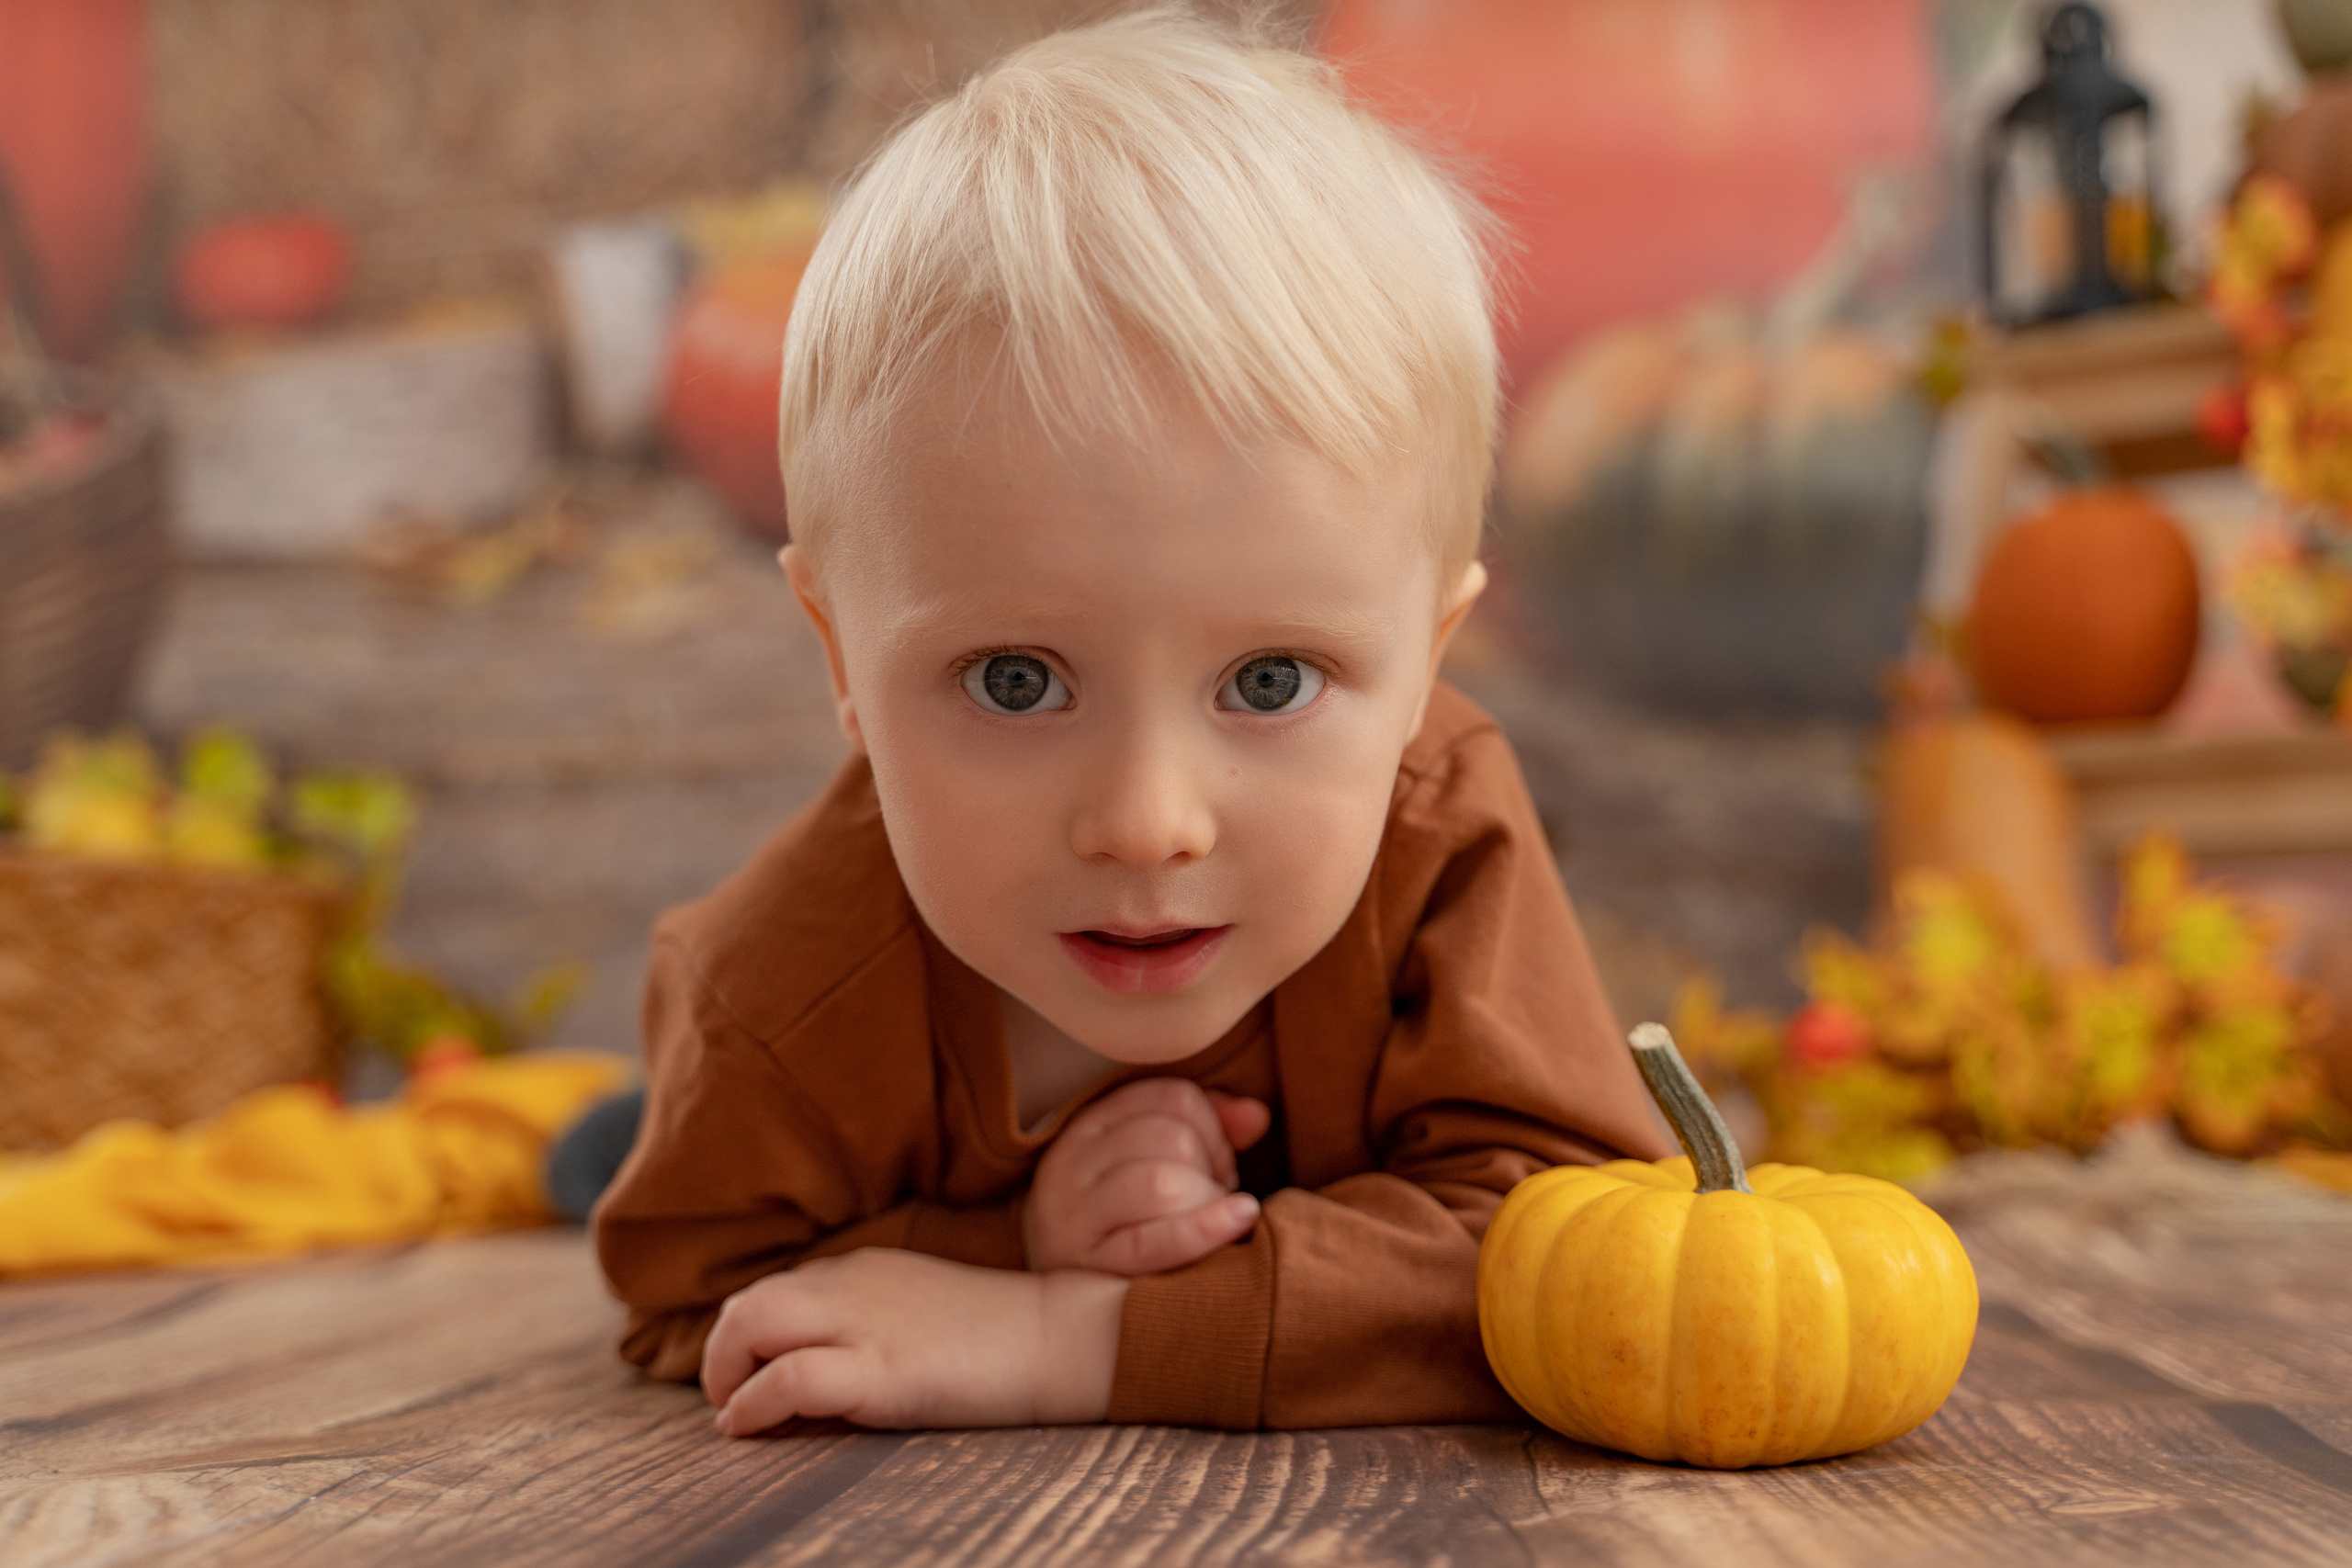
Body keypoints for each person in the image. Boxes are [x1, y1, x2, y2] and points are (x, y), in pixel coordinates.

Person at [592, 5, 1671, 1438]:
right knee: (610, 1151)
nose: (1148, 821)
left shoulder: (1441, 829)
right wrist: (1012, 1240)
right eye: (1015, 681)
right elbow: (695, 1293)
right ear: (840, 653)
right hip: (790, 1117)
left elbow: (1587, 1251)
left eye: (1270, 682)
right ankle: (598, 1133)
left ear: (1427, 660)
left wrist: (1068, 1333)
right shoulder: (773, 996)